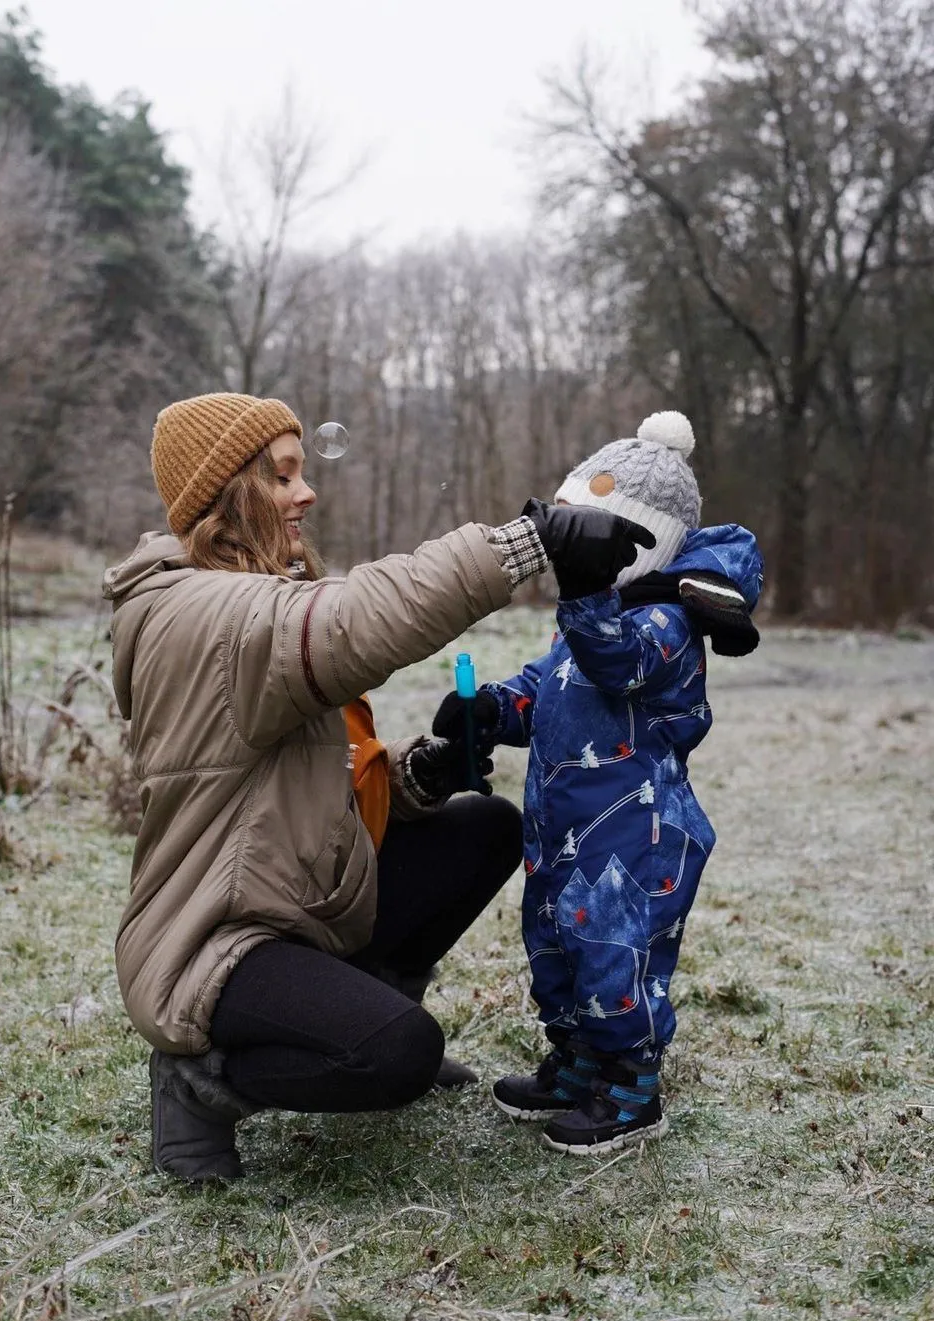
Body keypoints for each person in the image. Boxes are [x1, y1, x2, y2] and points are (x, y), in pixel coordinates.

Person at [101, 391, 654, 1181]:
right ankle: (201, 1084)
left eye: (302, 472)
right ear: (229, 496)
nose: (306, 492)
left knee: (481, 826)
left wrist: (417, 770)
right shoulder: (202, 615)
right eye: (282, 477)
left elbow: (308, 779)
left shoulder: (247, 602)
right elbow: (361, 618)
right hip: (217, 939)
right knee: (396, 1054)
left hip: (303, 898)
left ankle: (361, 997)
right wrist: (530, 543)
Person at [431, 411, 763, 1157]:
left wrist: (585, 588)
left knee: (614, 953)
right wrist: (488, 708)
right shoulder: (584, 620)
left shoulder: (668, 621)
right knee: (554, 946)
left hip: (633, 837)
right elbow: (550, 686)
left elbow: (617, 661)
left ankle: (631, 1086)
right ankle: (577, 1062)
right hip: (562, 828)